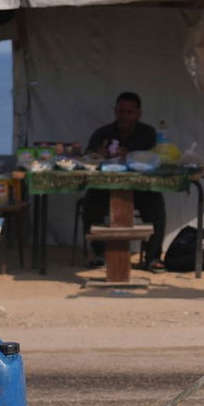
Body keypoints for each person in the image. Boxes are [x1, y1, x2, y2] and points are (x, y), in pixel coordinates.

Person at [83, 90, 166, 271]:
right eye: (121, 111)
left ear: (138, 113)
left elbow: (154, 158)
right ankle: (99, 253)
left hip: (139, 187)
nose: (124, 116)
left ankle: (152, 257)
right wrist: (97, 153)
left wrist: (131, 155)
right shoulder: (103, 133)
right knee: (90, 202)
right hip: (106, 186)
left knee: (156, 203)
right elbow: (87, 155)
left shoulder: (148, 133)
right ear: (115, 111)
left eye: (129, 112)